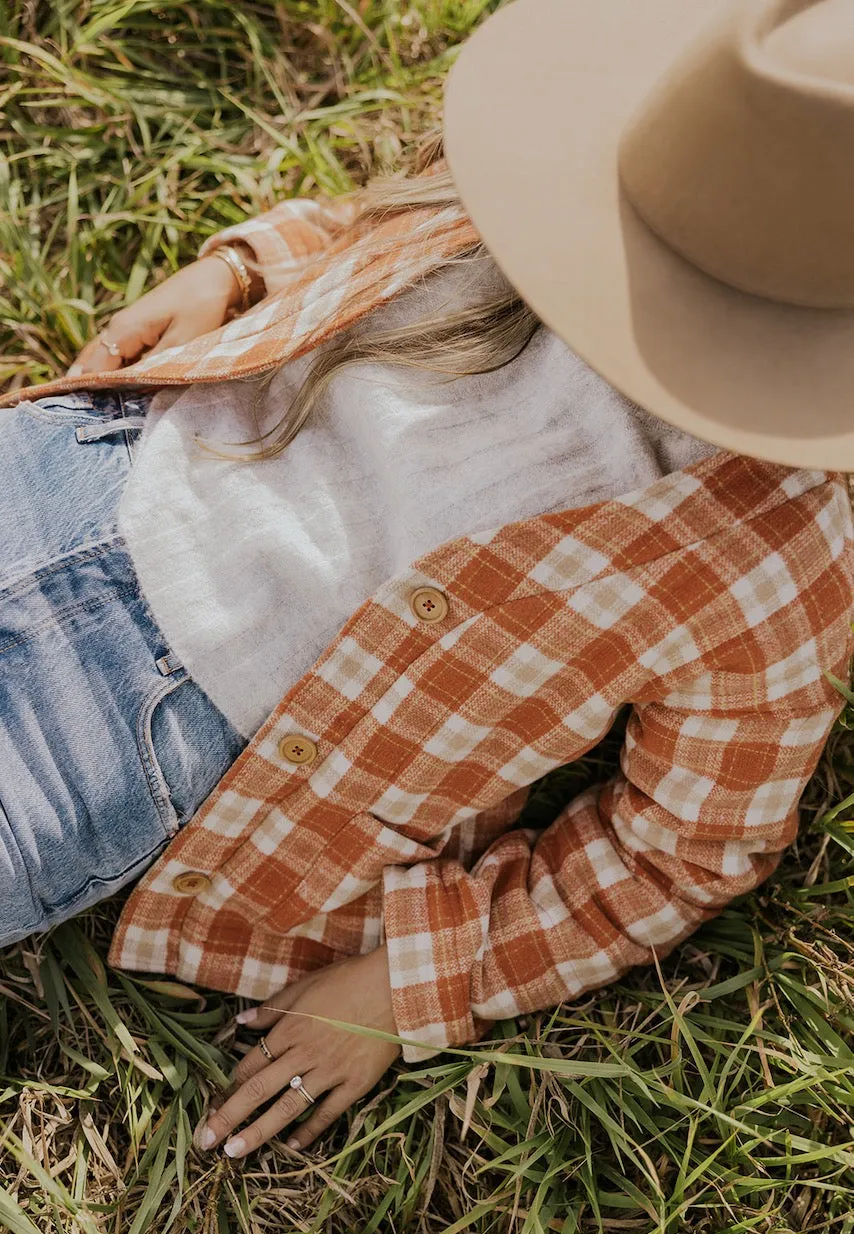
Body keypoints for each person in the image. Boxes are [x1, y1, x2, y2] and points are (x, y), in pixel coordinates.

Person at [1, 0, 851, 1163]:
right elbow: (367, 227)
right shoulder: (554, 167)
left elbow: (684, 844)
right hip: (89, 466)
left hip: (147, 718)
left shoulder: (770, 563)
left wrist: (414, 979)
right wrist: (240, 270)